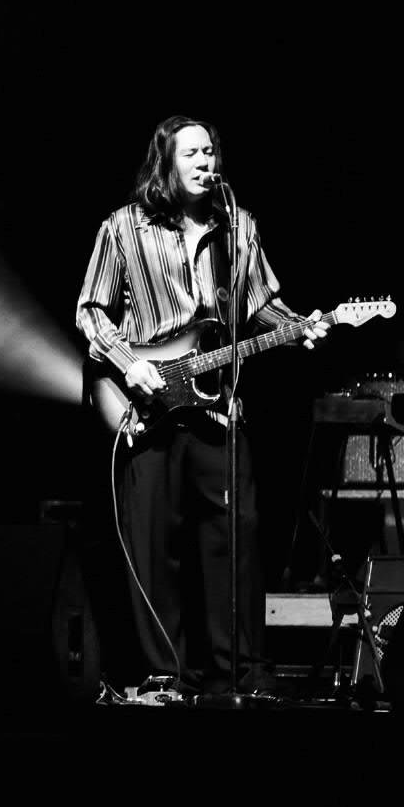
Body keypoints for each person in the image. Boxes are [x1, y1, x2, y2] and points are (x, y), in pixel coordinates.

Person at [76, 115, 329, 698]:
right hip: (146, 401)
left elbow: (259, 304)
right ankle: (167, 675)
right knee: (154, 546)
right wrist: (129, 362)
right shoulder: (124, 226)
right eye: (190, 152)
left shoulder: (238, 226)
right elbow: (91, 310)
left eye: (209, 151)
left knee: (235, 537)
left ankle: (241, 672)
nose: (203, 162)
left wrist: (299, 326)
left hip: (217, 405)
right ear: (165, 162)